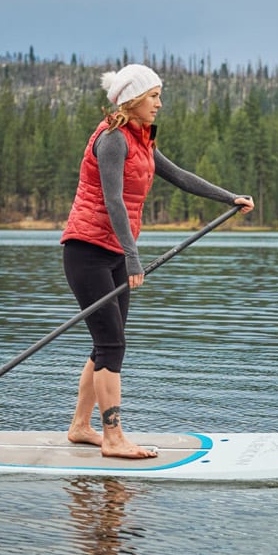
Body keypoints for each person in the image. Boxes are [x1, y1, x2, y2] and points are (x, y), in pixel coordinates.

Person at [60, 64, 254, 459]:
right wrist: (134, 258)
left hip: (115, 251)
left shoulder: (140, 140)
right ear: (132, 99)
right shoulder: (112, 139)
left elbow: (179, 176)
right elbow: (113, 200)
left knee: (106, 343)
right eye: (153, 96)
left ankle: (80, 427)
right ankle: (113, 438)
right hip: (87, 251)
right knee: (112, 344)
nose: (159, 103)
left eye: (159, 96)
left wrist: (228, 198)